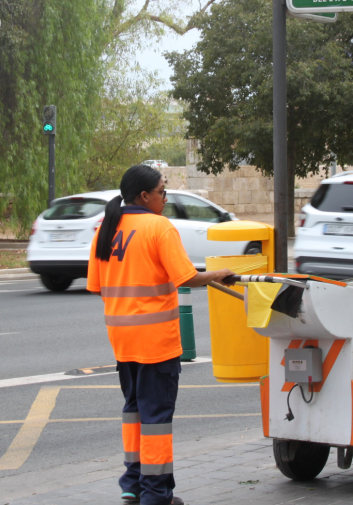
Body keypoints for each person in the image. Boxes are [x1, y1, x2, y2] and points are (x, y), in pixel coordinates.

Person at [87, 165, 233, 505]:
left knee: (134, 411)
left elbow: (96, 286)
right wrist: (219, 274)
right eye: (163, 192)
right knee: (156, 419)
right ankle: (157, 494)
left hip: (122, 341)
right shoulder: (158, 228)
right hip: (156, 341)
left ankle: (132, 484)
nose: (165, 199)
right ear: (144, 196)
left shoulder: (106, 228)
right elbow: (186, 277)